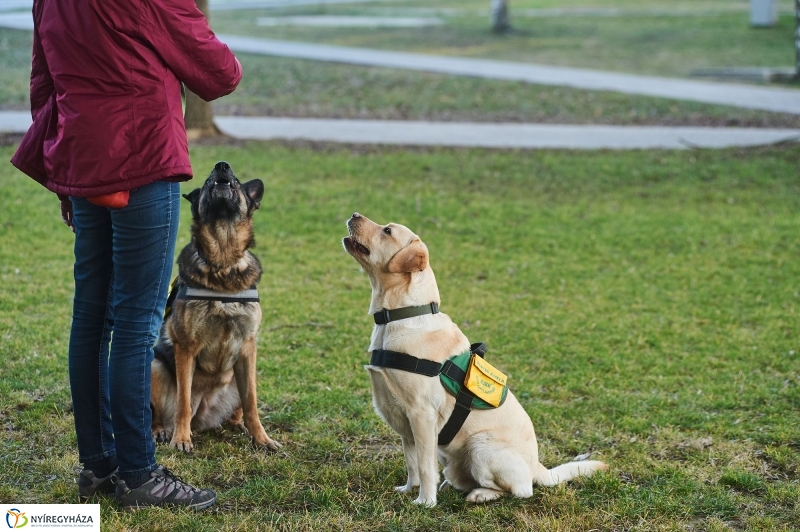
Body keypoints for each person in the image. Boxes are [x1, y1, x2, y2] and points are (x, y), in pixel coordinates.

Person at [10, 0, 242, 511]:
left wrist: (65, 175)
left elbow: (44, 85)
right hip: (142, 159)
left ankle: (98, 465)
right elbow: (219, 73)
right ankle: (139, 474)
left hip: (84, 160)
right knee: (137, 321)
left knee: (91, 317)